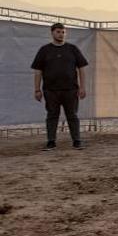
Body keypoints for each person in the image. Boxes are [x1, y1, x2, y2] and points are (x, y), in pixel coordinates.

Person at [31, 23, 89, 151]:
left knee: (72, 115)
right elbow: (38, 71)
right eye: (58, 32)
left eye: (63, 32)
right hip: (50, 90)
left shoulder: (72, 49)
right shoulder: (44, 50)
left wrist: (82, 87)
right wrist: (37, 89)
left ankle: (77, 141)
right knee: (52, 115)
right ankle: (51, 142)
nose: (61, 34)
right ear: (52, 33)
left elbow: (81, 69)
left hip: (71, 90)